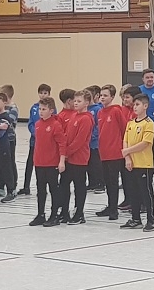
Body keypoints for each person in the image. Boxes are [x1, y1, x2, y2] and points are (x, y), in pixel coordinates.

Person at [96, 83, 131, 221]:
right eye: (101, 95)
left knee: (113, 182)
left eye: (105, 95)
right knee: (107, 182)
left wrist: (124, 149)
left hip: (115, 152)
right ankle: (110, 206)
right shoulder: (100, 112)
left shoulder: (116, 111)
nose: (102, 98)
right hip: (104, 152)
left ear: (112, 97)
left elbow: (124, 129)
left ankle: (114, 209)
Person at [122, 93, 154, 231]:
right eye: (134, 105)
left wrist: (127, 150)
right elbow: (125, 140)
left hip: (144, 164)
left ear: (145, 106)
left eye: (137, 104)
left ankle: (151, 220)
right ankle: (135, 219)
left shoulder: (149, 123)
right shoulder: (130, 123)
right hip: (131, 163)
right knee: (133, 192)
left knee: (146, 193)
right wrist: (127, 157)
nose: (135, 107)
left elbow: (145, 143)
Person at [57, 91, 92, 224]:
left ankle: (79, 213)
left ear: (86, 103)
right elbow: (66, 135)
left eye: (79, 101)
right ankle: (64, 212)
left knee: (79, 186)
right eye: (75, 101)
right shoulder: (73, 116)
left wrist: (67, 152)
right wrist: (63, 151)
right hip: (68, 158)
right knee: (64, 185)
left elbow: (79, 141)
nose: (76, 103)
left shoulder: (86, 119)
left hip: (79, 158)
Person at [29, 96, 64, 227]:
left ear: (51, 110)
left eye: (44, 109)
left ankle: (54, 215)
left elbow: (62, 144)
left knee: (53, 189)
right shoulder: (38, 124)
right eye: (40, 109)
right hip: (39, 163)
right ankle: (40, 214)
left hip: (52, 163)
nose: (41, 112)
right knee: (40, 190)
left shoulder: (55, 125)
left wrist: (61, 161)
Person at [20, 83, 50, 196]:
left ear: (49, 94)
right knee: (30, 163)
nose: (43, 95)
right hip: (34, 141)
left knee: (44, 166)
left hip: (46, 142)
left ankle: (45, 188)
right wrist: (36, 133)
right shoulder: (34, 107)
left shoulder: (52, 108)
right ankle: (26, 187)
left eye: (45, 93)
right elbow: (31, 123)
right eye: (41, 93)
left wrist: (44, 135)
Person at [0, 92, 17, 203]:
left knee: (7, 167)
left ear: (4, 103)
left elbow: (4, 126)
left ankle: (11, 190)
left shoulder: (6, 116)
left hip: (4, 143)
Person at [0, 84, 20, 191]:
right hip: (0, 138)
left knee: (10, 162)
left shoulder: (13, 108)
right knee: (1, 163)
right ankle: (1, 185)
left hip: (10, 138)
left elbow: (8, 121)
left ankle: (13, 185)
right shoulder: (1, 108)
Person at [85, 87, 105, 194]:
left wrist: (92, 135)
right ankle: (92, 183)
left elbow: (99, 125)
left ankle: (100, 183)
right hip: (86, 143)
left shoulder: (97, 109)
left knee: (97, 164)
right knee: (89, 164)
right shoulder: (85, 110)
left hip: (95, 142)